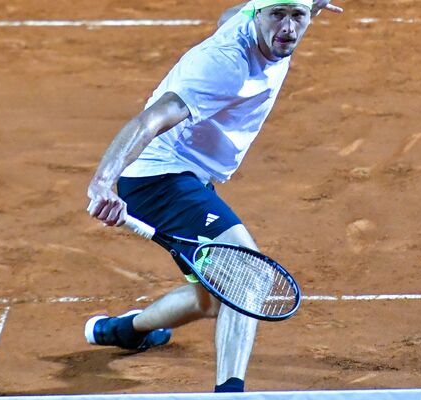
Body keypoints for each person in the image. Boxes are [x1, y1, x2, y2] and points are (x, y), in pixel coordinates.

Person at [85, 0, 343, 392]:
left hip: (190, 176)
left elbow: (230, 16)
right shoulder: (225, 65)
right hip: (160, 180)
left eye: (299, 15)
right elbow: (150, 119)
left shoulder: (258, 24)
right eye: (278, 14)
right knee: (247, 279)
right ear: (258, 14)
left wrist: (309, 5)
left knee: (213, 301)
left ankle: (125, 330)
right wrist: (103, 182)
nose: (289, 28)